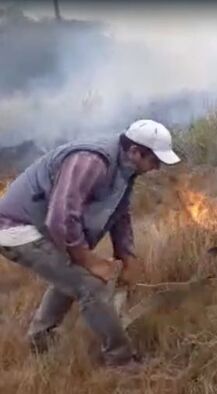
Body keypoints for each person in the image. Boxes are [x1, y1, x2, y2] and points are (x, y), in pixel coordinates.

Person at [0, 119, 181, 369]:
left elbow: (120, 213)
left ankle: (40, 341)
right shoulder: (91, 161)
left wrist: (127, 257)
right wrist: (90, 261)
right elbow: (60, 219)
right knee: (91, 285)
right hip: (17, 228)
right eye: (154, 160)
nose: (157, 167)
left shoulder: (125, 168)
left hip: (42, 227)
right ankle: (121, 361)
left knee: (74, 277)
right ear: (135, 152)